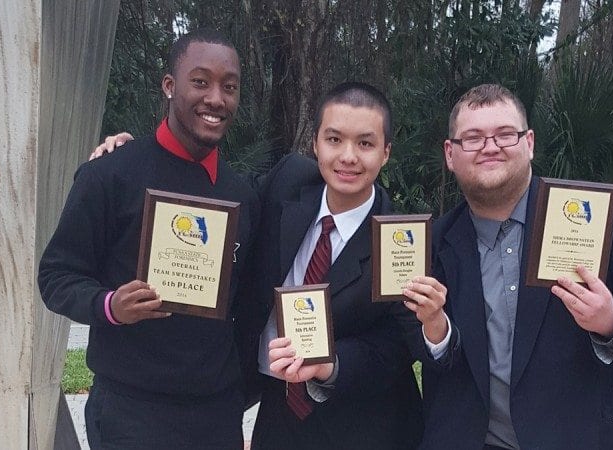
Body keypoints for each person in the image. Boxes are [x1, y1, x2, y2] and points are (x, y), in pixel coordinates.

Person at [90, 82, 423, 449]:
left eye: (365, 143)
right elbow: (216, 193)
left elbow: (399, 344)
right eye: (334, 139)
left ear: (386, 152)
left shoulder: (397, 240)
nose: (348, 157)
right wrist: (138, 156)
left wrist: (330, 366)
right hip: (276, 411)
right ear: (315, 144)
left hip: (361, 424)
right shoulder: (288, 183)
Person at [401, 83, 613, 449]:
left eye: (505, 134)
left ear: (529, 142)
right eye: (472, 137)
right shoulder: (430, 243)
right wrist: (435, 332)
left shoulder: (595, 215)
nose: (490, 146)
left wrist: (611, 319)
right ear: (450, 154)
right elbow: (417, 345)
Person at [38, 28, 259, 449]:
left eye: (229, 87)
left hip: (215, 416)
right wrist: (111, 306)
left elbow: (247, 304)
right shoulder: (109, 175)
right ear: (169, 86)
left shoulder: (242, 195)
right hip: (131, 415)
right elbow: (56, 276)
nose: (216, 98)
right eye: (200, 82)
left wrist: (237, 397)